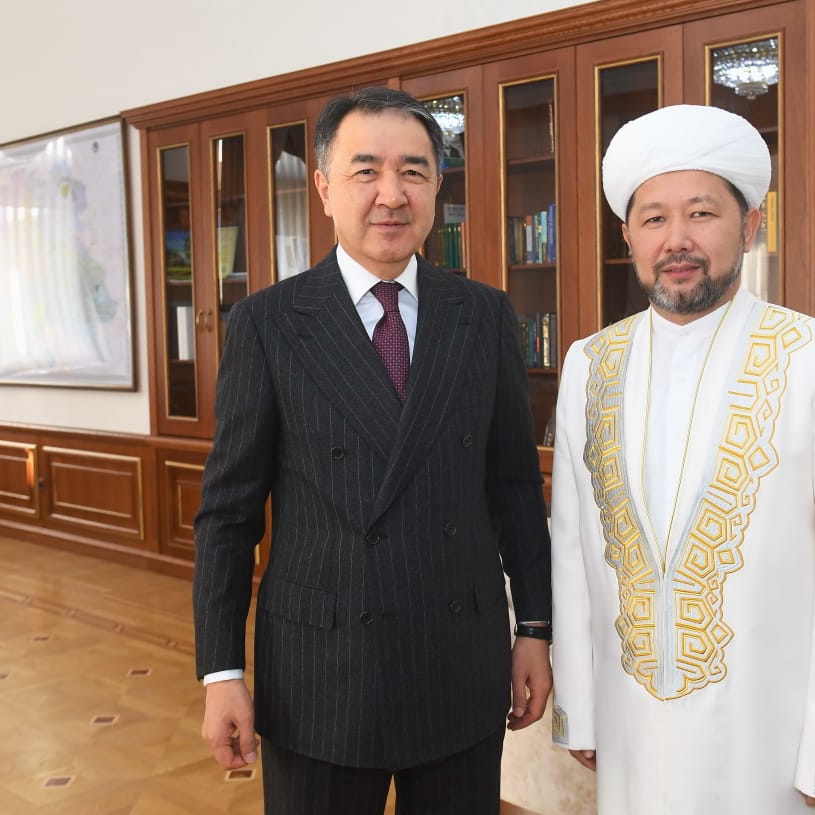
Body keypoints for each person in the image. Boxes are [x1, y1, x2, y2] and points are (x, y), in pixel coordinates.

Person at [192, 86, 552, 815]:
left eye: (413, 171)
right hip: (323, 675)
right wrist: (221, 671)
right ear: (324, 187)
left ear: (437, 186)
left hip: (458, 659)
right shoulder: (267, 323)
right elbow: (228, 515)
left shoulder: (484, 315)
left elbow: (515, 485)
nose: (391, 194)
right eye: (366, 171)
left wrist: (536, 631)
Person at [548, 104, 815, 814]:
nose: (677, 239)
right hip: (629, 724)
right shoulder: (590, 363)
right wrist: (579, 706)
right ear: (629, 236)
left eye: (702, 213)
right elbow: (572, 550)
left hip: (769, 736)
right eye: (654, 218)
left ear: (751, 224)